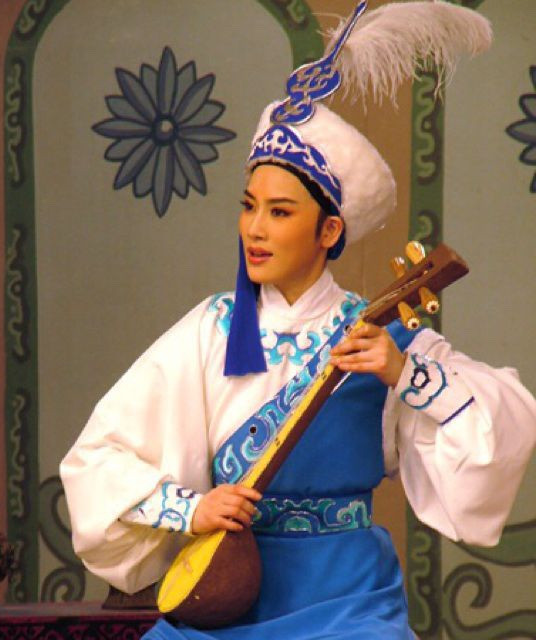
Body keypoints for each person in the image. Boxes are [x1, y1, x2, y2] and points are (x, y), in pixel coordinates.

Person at [60, 2, 536, 638]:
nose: (255, 229)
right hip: (231, 587)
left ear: (329, 230)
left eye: (280, 212)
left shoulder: (381, 336)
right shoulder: (212, 328)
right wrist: (191, 510)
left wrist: (406, 374)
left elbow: (506, 421)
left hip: (348, 598)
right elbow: (97, 458)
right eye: (249, 206)